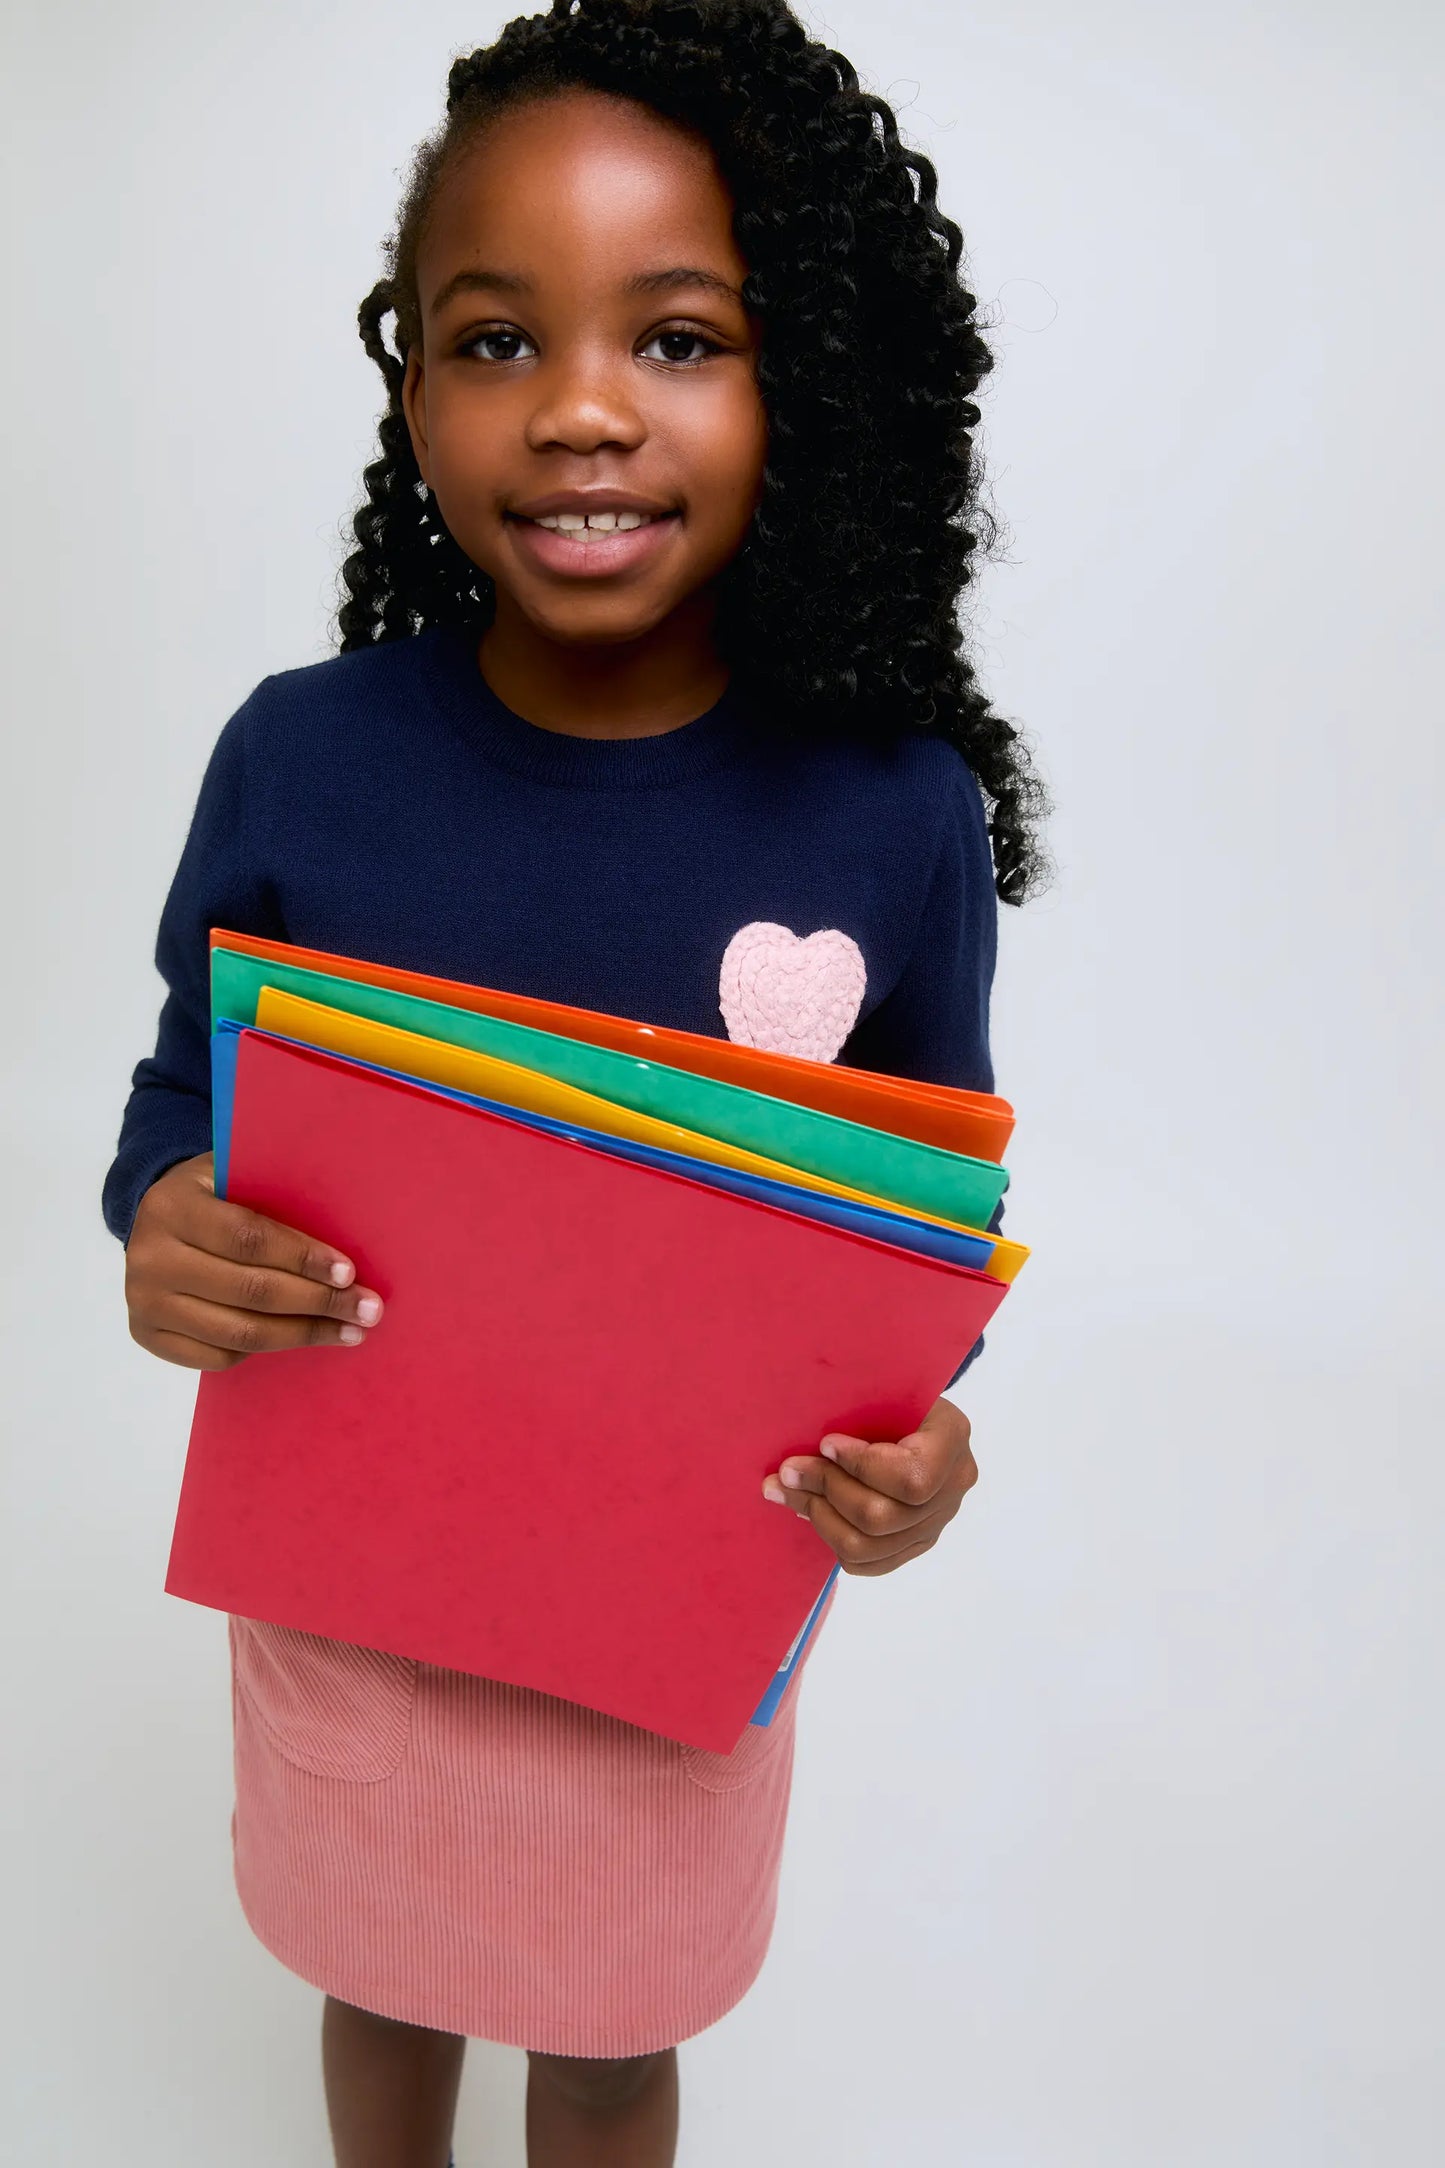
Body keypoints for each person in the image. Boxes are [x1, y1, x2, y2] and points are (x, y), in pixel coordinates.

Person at [101, 3, 1048, 2162]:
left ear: (809, 374)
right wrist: (163, 1226)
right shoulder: (303, 756)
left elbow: (931, 1212)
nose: (584, 413)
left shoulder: (887, 814)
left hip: (664, 1587)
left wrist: (921, 1434)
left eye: (682, 339)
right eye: (498, 338)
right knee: (378, 1972)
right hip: (358, 1572)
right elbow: (183, 1096)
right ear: (410, 376)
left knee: (615, 2034)